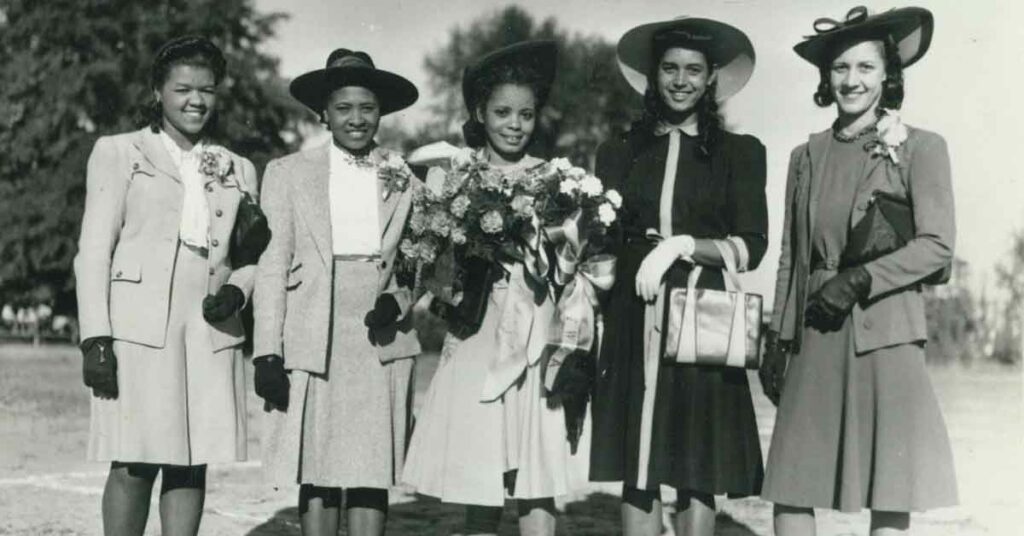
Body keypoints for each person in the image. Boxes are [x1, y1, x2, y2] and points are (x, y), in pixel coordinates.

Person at [760, 6, 958, 535]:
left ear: (888, 76)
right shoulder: (806, 156)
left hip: (887, 336)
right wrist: (779, 339)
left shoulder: (921, 146)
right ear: (826, 77)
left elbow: (938, 246)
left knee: (889, 485)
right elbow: (790, 254)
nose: (852, 81)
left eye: (866, 68)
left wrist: (861, 279)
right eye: (842, 68)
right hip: (815, 331)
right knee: (791, 484)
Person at [589, 18, 767, 536]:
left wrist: (685, 246)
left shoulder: (740, 153)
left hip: (701, 315)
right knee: (637, 465)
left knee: (696, 464)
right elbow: (602, 238)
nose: (681, 81)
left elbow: (751, 245)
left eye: (694, 69)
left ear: (712, 77)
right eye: (670, 68)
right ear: (652, 75)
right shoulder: (618, 152)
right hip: (631, 310)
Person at [74, 35, 257, 536]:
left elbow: (251, 257)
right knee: (133, 461)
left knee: (190, 460)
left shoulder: (239, 168)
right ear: (158, 91)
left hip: (208, 330)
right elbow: (93, 251)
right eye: (182, 89)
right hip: (138, 330)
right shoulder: (117, 152)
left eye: (208, 90)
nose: (195, 100)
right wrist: (96, 338)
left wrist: (238, 291)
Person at [401, 40, 572, 536]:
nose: (515, 125)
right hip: (477, 333)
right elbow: (431, 259)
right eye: (503, 112)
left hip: (533, 332)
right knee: (481, 472)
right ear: (481, 112)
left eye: (526, 114)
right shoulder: (454, 175)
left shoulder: (554, 179)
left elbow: (569, 265)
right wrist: (448, 281)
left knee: (534, 473)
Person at [252, 48, 420, 536]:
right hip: (312, 331)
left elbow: (422, 259)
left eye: (367, 107)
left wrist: (400, 298)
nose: (356, 118)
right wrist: (267, 352)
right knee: (319, 468)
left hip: (378, 333)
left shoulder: (404, 175)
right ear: (323, 114)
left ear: (381, 112)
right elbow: (271, 266)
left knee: (371, 468)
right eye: (344, 108)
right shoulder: (287, 173)